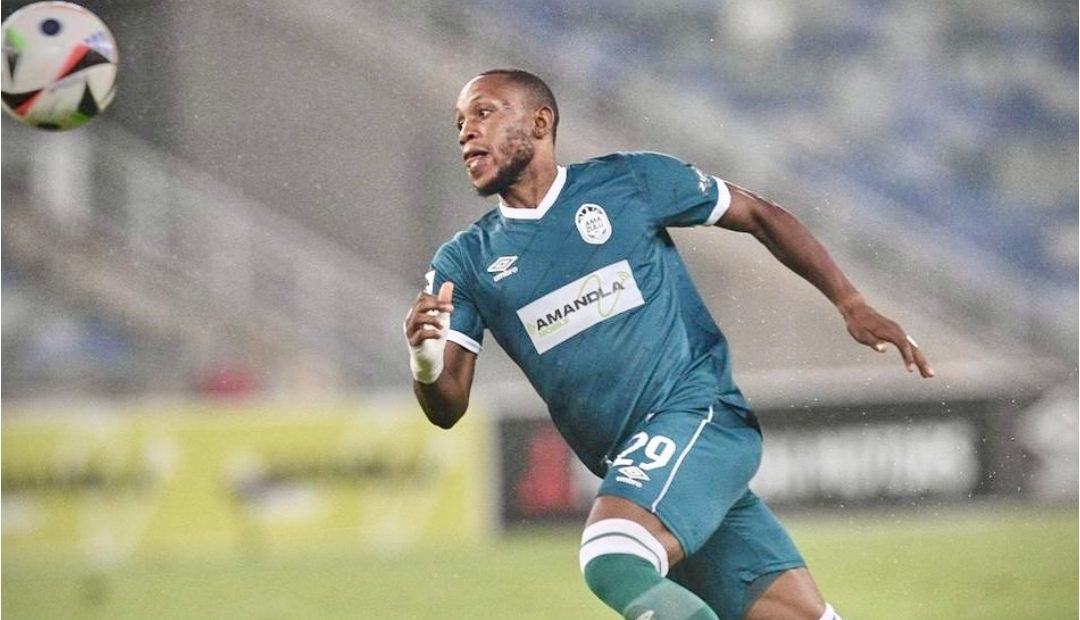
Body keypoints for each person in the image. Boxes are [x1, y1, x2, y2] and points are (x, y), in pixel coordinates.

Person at [403, 69, 934, 620]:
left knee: (612, 556)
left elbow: (759, 214)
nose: (466, 132)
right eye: (459, 122)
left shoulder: (630, 182)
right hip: (645, 465)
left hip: (698, 417)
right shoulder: (465, 262)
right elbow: (447, 406)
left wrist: (849, 301)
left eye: (483, 113)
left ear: (540, 123)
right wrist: (423, 359)